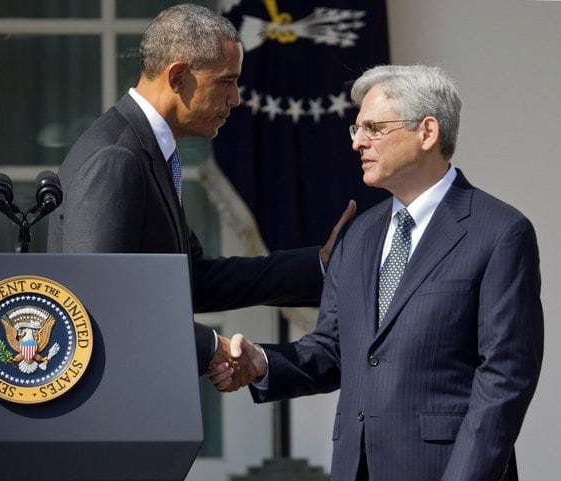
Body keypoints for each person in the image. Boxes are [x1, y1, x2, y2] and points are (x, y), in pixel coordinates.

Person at [209, 65, 544, 481]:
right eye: (357, 128)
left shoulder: (499, 233)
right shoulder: (360, 235)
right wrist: (261, 363)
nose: (358, 142)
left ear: (427, 132)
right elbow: (332, 348)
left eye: (373, 127)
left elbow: (506, 376)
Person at [46, 4, 355, 379]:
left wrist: (320, 265)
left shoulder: (147, 149)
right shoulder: (117, 156)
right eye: (226, 81)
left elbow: (195, 279)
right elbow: (96, 298)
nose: (236, 98)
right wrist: (211, 347)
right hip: (114, 403)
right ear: (178, 76)